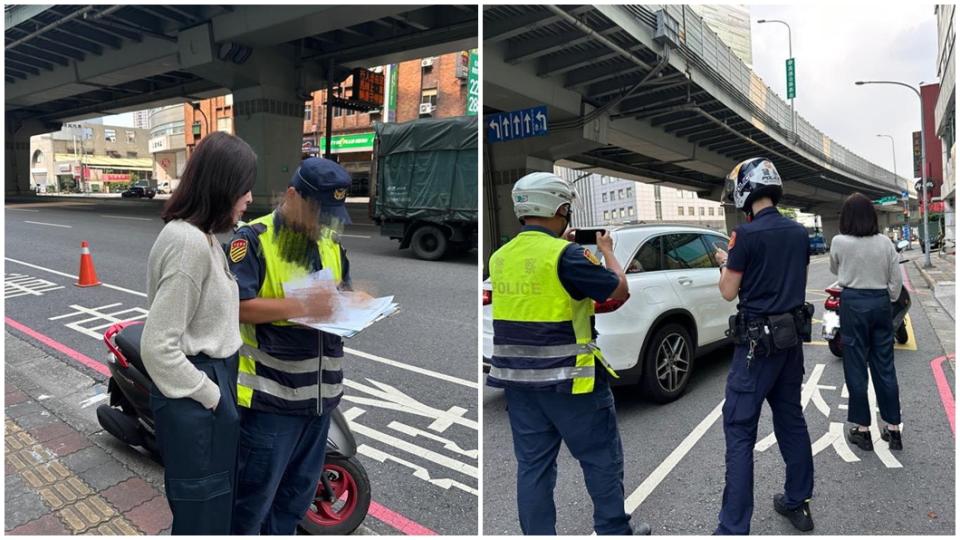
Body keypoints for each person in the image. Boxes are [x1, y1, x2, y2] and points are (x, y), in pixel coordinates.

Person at [486, 172, 650, 536]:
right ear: (561, 208)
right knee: (601, 461)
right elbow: (618, 291)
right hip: (572, 385)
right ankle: (613, 530)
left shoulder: (500, 257)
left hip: (519, 385)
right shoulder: (569, 256)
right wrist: (605, 251)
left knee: (533, 469)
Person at [228, 157, 356, 535]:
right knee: (252, 503)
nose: (323, 221)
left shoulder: (330, 244)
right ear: (292, 196)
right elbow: (235, 306)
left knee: (295, 499)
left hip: (320, 401)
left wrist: (357, 305)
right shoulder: (251, 240)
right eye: (317, 210)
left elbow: (339, 297)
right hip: (271, 403)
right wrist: (303, 305)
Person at [140, 131, 256, 534]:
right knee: (203, 517)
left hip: (207, 385)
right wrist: (212, 395)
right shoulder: (188, 243)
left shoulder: (199, 236)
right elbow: (158, 346)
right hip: (198, 390)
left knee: (210, 506)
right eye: (245, 187)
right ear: (223, 186)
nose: (249, 198)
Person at [713, 157, 815, 534]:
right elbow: (793, 281)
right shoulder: (798, 233)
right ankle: (797, 502)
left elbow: (728, 291)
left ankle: (733, 527)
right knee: (791, 420)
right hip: (790, 344)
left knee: (740, 431)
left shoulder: (745, 235)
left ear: (746, 189)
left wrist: (725, 263)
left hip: (756, 348)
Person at [829, 193, 904, 451]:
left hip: (853, 304)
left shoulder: (839, 241)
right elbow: (896, 280)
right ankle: (893, 429)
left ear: (847, 217)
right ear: (872, 216)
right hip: (880, 303)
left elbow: (834, 269)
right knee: (884, 365)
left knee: (856, 366)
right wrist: (889, 299)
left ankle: (862, 430)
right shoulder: (885, 243)